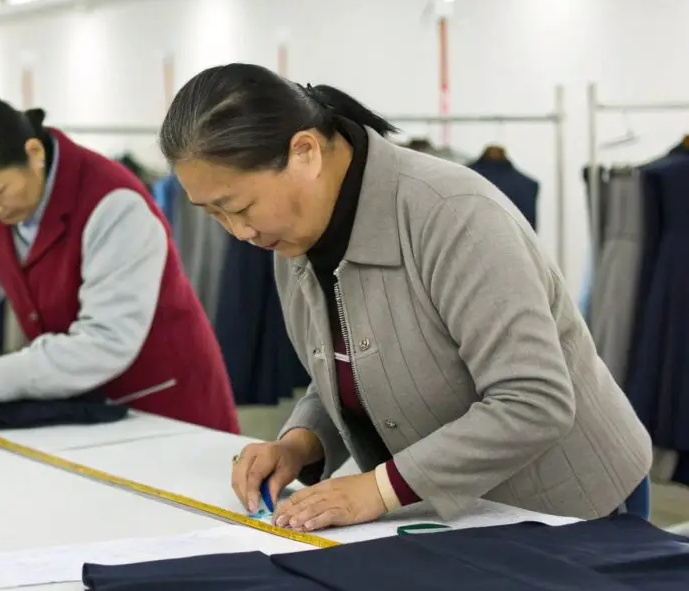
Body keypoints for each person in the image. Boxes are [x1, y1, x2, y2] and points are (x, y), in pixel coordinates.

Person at [159, 63, 652, 531]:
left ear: (305, 152)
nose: (239, 232)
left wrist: (378, 489)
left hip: (572, 509)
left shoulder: (453, 214)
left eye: (240, 207)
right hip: (459, 520)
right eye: (213, 214)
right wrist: (298, 445)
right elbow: (352, 363)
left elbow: (534, 399)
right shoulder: (289, 234)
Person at [0, 95, 239, 432]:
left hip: (164, 406)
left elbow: (106, 340)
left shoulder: (114, 205)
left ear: (34, 153)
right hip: (83, 405)